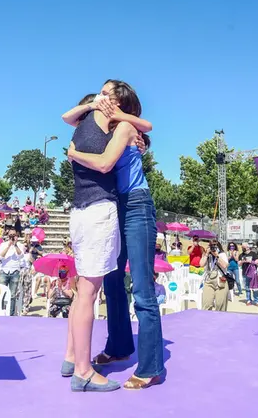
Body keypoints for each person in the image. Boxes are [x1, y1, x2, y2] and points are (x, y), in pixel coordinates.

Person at [65, 80, 162, 391]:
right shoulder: (104, 126)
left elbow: (109, 160)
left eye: (107, 94)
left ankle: (151, 367)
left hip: (135, 202)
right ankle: (119, 346)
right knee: (111, 278)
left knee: (142, 288)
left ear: (121, 103)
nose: (101, 97)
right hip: (113, 203)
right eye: (100, 92)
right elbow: (72, 119)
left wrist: (74, 153)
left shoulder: (126, 127)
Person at [0, 230, 24, 316]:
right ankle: (1, 311)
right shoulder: (3, 244)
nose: (12, 237)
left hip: (15, 271)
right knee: (2, 292)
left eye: (14, 235)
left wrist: (15, 245)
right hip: (4, 270)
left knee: (12, 294)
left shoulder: (20, 245)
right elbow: (0, 257)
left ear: (17, 235)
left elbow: (21, 256)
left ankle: (11, 313)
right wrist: (8, 246)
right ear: (8, 236)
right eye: (10, 235)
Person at [201, 240, 229, 311]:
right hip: (209, 281)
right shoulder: (207, 255)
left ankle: (220, 321)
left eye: (214, 246)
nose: (212, 248)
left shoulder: (222, 254)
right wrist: (206, 253)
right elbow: (201, 264)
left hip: (221, 281)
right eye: (211, 246)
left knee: (220, 305)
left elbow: (225, 265)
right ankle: (207, 320)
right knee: (206, 304)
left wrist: (217, 256)